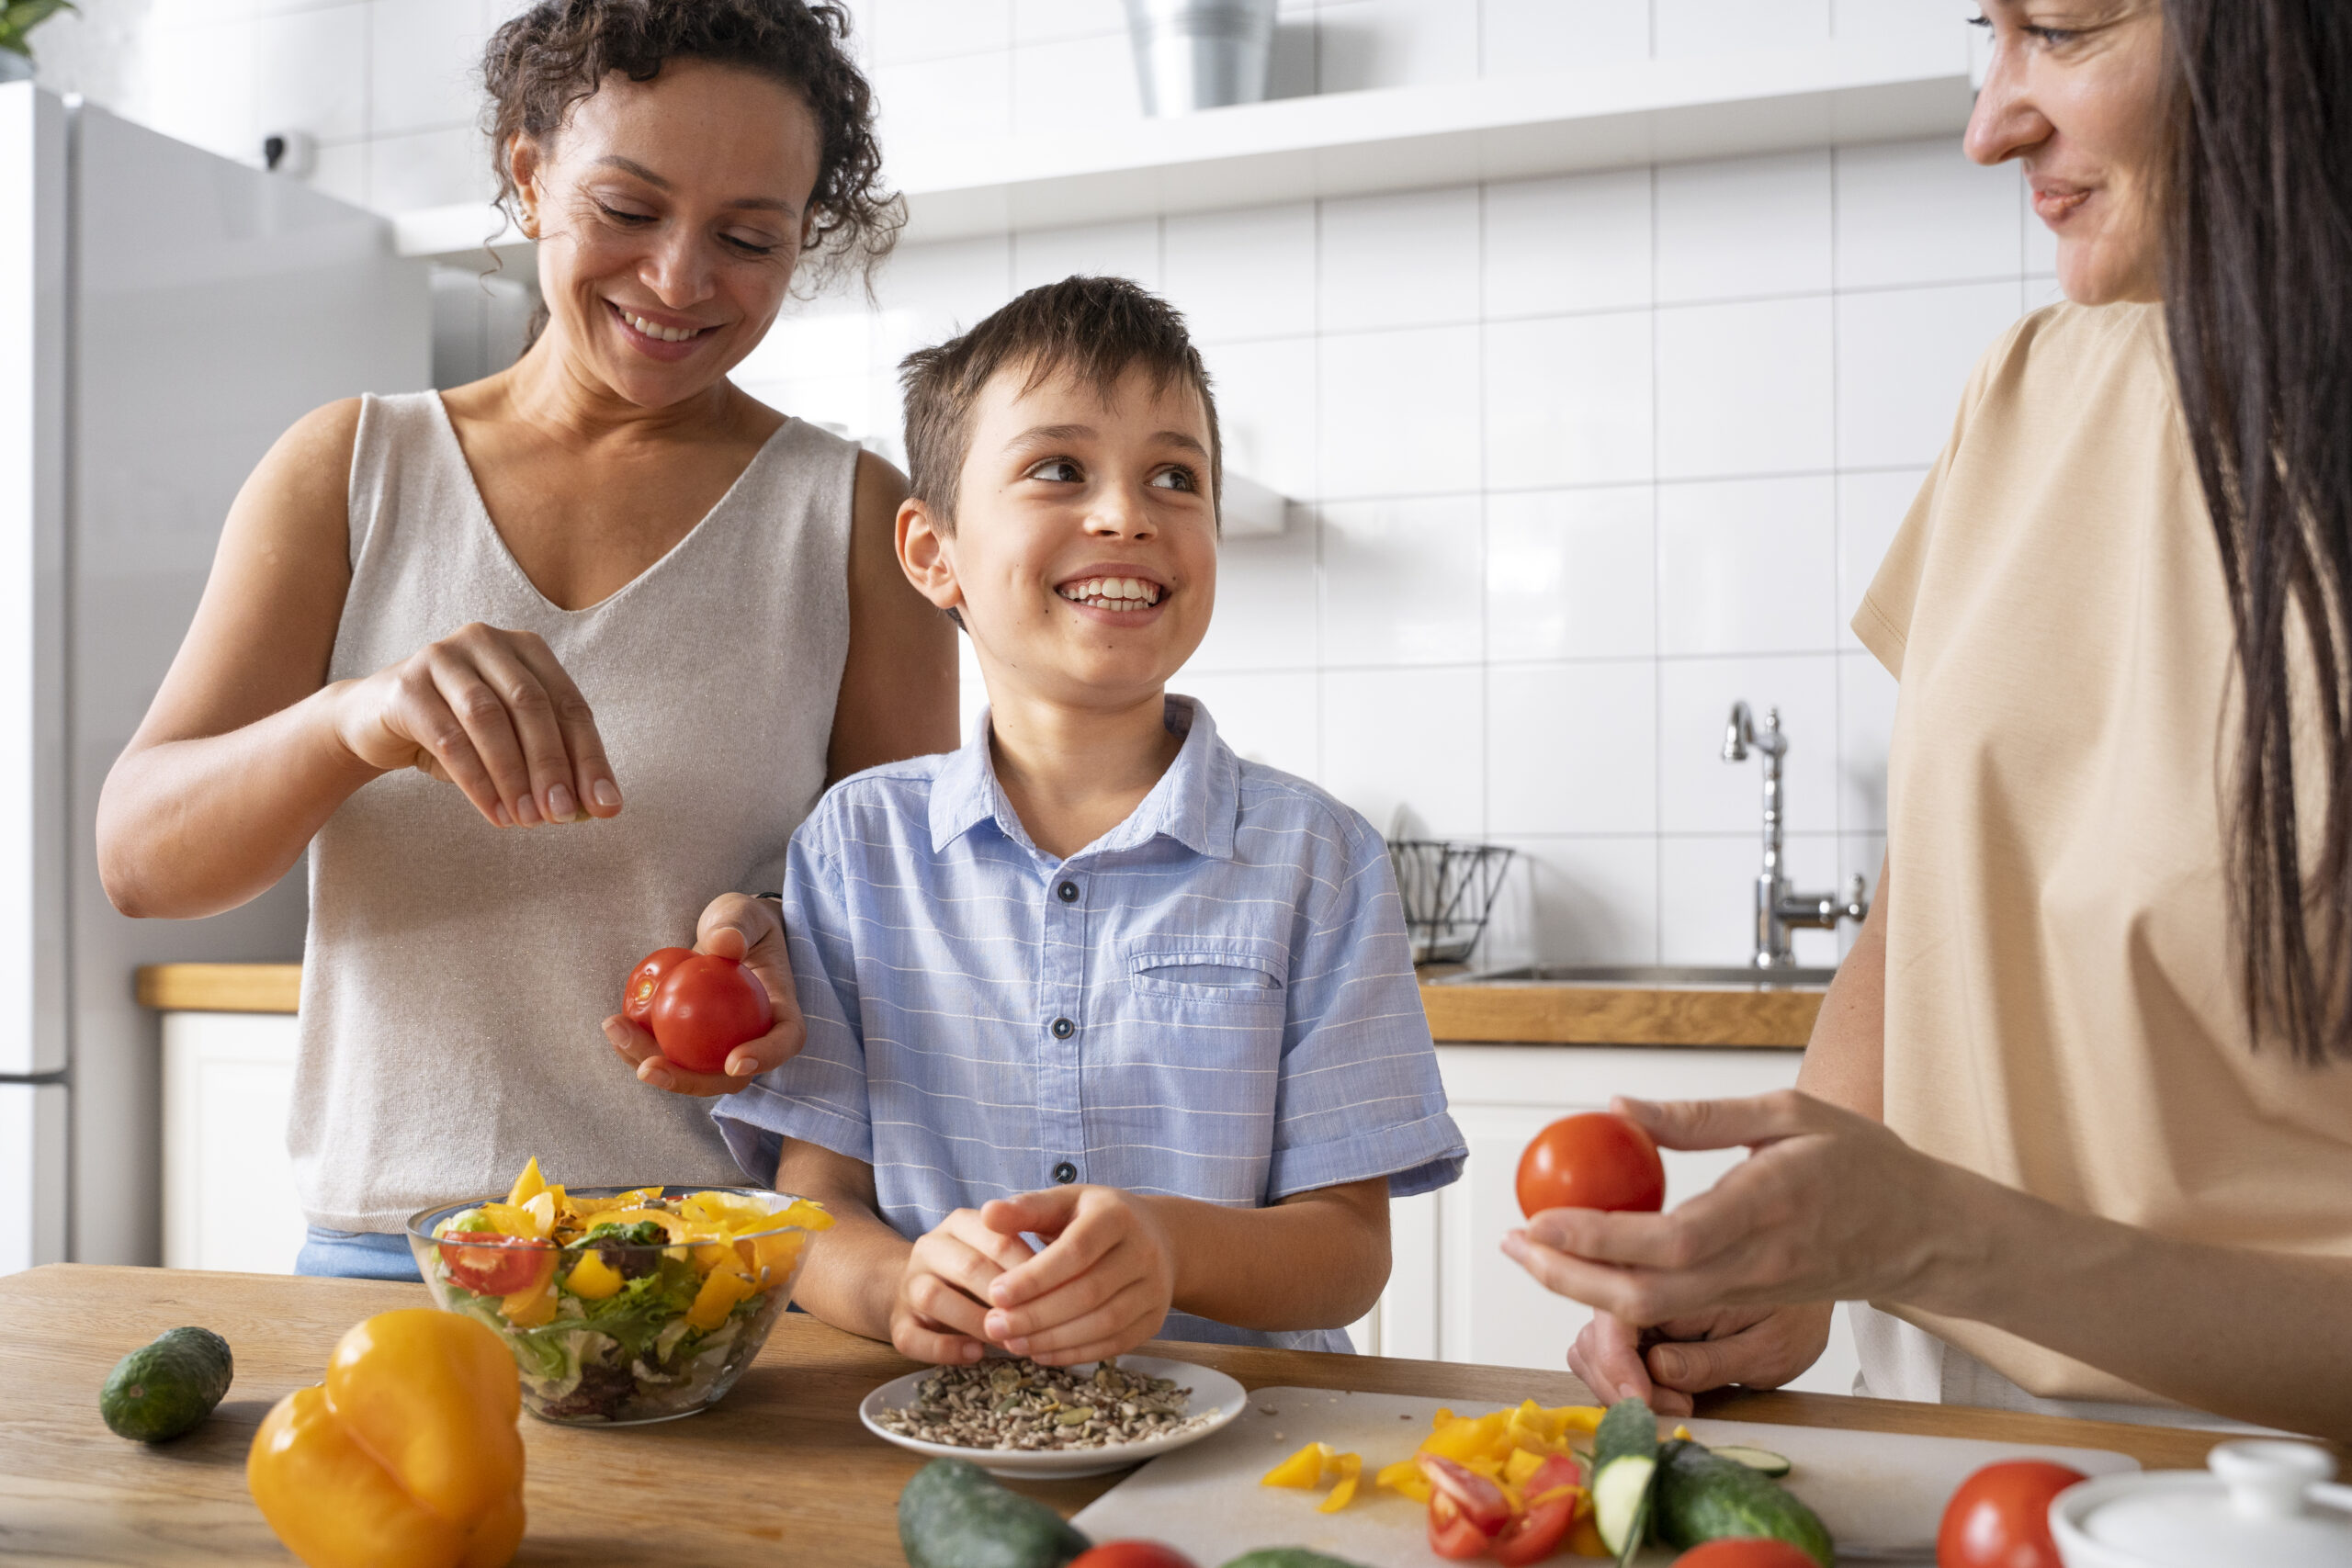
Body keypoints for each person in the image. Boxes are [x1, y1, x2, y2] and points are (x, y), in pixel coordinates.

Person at [1504, 0, 2352, 1442]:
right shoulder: (2027, 387)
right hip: (1939, 1441)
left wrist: (1932, 1237)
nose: (1990, 124)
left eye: (2068, 31)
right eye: (1991, 31)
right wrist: (1804, 1252)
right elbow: (1929, 902)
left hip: (2280, 1484)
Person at [95, 0, 955, 1280]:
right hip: (400, 1254)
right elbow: (141, 858)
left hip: (725, 1269)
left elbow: (913, 919)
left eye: (747, 238)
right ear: (527, 169)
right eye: (627, 209)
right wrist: (357, 719)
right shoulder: (350, 470)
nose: (677, 278)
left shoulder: (853, 519)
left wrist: (785, 939)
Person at [685, 277, 1466, 1361]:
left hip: (1252, 1448)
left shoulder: (1318, 859)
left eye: (1174, 477)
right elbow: (813, 1212)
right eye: (1059, 469)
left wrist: (1170, 1249)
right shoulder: (855, 848)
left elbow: (1347, 1254)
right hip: (947, 1427)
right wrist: (899, 1289)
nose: (1125, 513)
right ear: (931, 554)